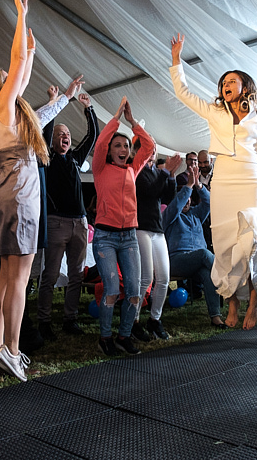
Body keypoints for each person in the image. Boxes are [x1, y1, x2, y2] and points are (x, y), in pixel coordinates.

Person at [170, 33, 257, 330]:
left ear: (245, 86)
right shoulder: (215, 111)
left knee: (251, 243)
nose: (226, 85)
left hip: (251, 179)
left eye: (231, 81)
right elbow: (183, 93)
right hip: (222, 181)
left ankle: (254, 300)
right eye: (223, 83)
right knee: (224, 247)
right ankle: (232, 302)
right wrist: (176, 60)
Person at [0, 0, 49, 382]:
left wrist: (30, 50)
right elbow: (16, 62)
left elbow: (23, 67)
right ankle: (13, 352)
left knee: (5, 275)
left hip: (4, 195)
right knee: (19, 278)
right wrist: (20, 15)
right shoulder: (3, 106)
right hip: (20, 195)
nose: (12, 82)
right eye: (5, 80)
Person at [92, 96, 155, 356]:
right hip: (105, 237)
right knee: (110, 289)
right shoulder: (99, 168)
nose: (122, 149)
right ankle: (105, 337)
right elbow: (100, 144)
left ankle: (124, 335)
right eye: (117, 145)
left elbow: (149, 146)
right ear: (110, 151)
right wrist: (116, 119)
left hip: (129, 237)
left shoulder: (132, 169)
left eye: (126, 146)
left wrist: (132, 122)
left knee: (134, 291)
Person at [36, 92, 99, 340]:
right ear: (52, 140)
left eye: (68, 134)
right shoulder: (46, 158)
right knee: (50, 275)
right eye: (60, 134)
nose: (65, 137)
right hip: (56, 223)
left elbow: (92, 136)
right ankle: (44, 321)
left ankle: (70, 319)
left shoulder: (74, 159)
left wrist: (89, 109)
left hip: (80, 223)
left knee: (76, 275)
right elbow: (45, 130)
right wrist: (53, 103)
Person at [163, 165, 227, 328]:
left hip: (198, 262)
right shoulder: (170, 216)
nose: (187, 200)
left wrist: (198, 186)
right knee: (205, 253)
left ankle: (215, 317)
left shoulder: (196, 214)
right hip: (176, 261)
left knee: (207, 274)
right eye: (184, 198)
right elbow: (176, 206)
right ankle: (229, 281)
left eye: (189, 198)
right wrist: (188, 186)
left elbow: (209, 202)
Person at [133, 143, 180, 341]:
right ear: (138, 150)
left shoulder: (155, 171)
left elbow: (167, 197)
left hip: (157, 229)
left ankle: (155, 319)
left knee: (164, 278)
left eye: (153, 147)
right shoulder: (136, 169)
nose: (152, 150)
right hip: (141, 228)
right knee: (145, 278)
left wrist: (171, 175)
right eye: (147, 146)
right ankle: (133, 321)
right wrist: (166, 172)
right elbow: (149, 191)